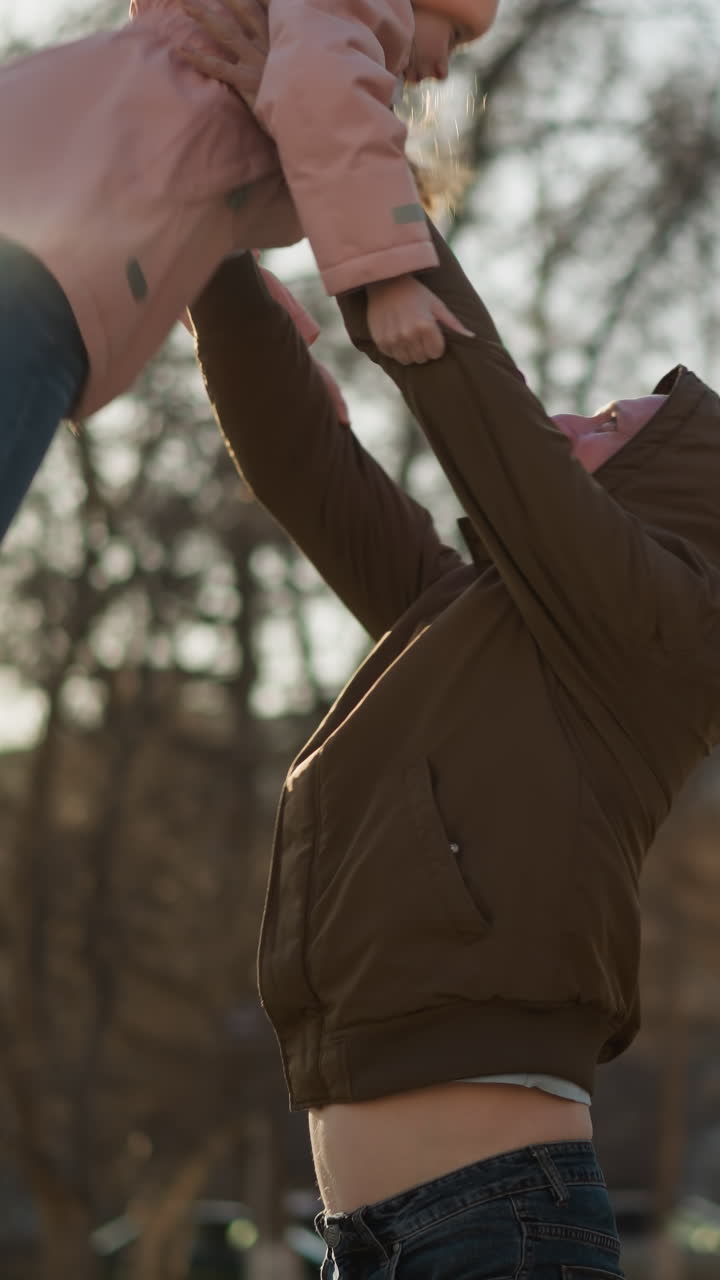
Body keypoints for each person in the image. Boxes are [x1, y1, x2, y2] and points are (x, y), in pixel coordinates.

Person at [187, 198, 720, 1274]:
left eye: (610, 426)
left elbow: (487, 411)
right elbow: (305, 463)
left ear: (681, 501)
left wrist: (354, 173)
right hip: (370, 1237)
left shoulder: (665, 632)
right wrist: (211, 241)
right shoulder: (459, 616)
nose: (570, 424)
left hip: (497, 1224)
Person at [0, 0, 498, 544]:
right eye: (452, 36)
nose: (445, 70)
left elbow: (205, 230)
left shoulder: (231, 41)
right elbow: (326, 97)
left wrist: (292, 366)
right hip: (48, 274)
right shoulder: (359, 13)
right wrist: (392, 283)